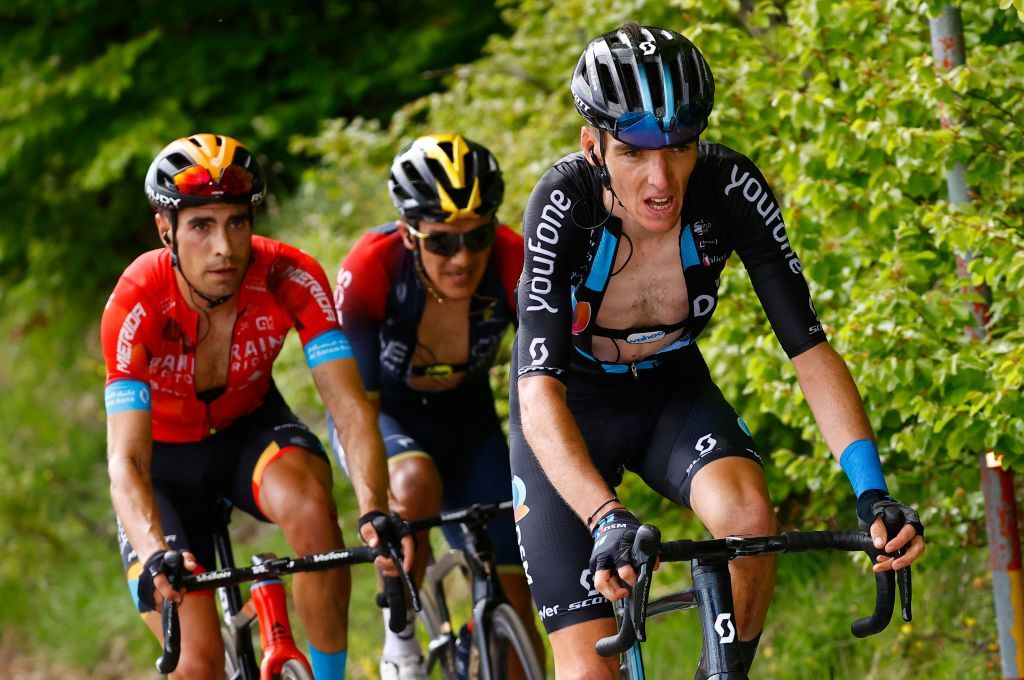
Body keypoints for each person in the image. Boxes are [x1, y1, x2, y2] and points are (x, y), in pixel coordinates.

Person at [509, 23, 926, 679]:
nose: (661, 179)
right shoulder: (563, 202)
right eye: (634, 153)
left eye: (680, 147)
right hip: (570, 411)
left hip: (670, 392)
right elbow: (536, 390)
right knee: (590, 670)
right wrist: (604, 517)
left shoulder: (729, 186)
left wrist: (871, 493)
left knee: (749, 518)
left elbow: (809, 350)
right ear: (592, 146)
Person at [102, 133, 412, 680]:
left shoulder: (289, 274)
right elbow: (126, 461)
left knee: (313, 505)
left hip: (252, 431)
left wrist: (374, 509)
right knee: (198, 665)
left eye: (237, 222)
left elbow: (348, 406)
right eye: (201, 225)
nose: (224, 246)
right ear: (165, 230)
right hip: (164, 469)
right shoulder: (136, 300)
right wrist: (152, 551)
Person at [328, 133, 544, 679]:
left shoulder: (514, 258)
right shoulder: (373, 267)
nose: (463, 257)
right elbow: (356, 405)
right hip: (383, 415)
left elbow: (556, 374)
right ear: (408, 232)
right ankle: (400, 639)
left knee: (516, 608)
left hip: (468, 422)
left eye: (476, 237)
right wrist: (374, 506)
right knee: (414, 483)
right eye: (442, 242)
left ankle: (484, 639)